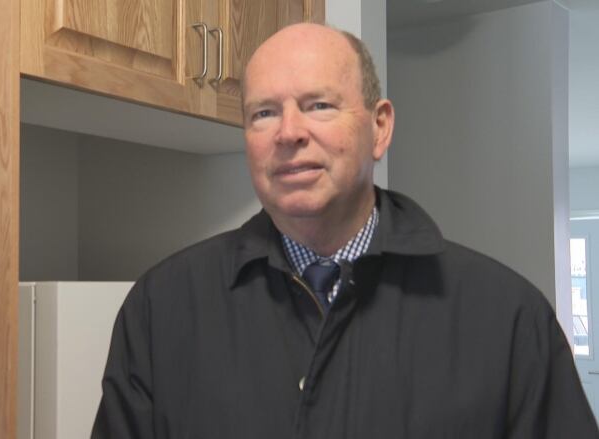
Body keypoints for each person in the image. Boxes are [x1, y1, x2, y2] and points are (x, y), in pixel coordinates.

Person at [91, 23, 599, 438]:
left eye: (319, 105)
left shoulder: (508, 318)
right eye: (263, 114)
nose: (289, 132)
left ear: (379, 127)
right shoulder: (162, 308)